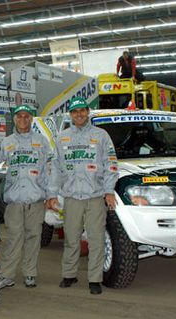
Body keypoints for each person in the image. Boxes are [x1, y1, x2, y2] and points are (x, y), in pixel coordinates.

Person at [47, 97, 119, 295]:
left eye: (82, 110)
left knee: (96, 239)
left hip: (95, 197)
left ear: (88, 112)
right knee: (71, 238)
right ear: (70, 114)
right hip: (71, 197)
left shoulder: (101, 135)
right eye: (75, 111)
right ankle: (69, 274)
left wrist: (109, 191)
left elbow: (111, 165)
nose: (79, 114)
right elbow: (56, 168)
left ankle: (95, 279)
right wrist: (52, 194)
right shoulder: (62, 137)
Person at [0, 105, 52, 289]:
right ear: (14, 119)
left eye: (26, 116)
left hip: (35, 199)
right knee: (13, 237)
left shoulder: (41, 142)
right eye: (19, 116)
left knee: (33, 237)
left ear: (31, 119)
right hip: (14, 199)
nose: (23, 120)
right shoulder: (7, 143)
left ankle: (30, 274)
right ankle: (6, 275)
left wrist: (50, 195)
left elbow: (48, 170)